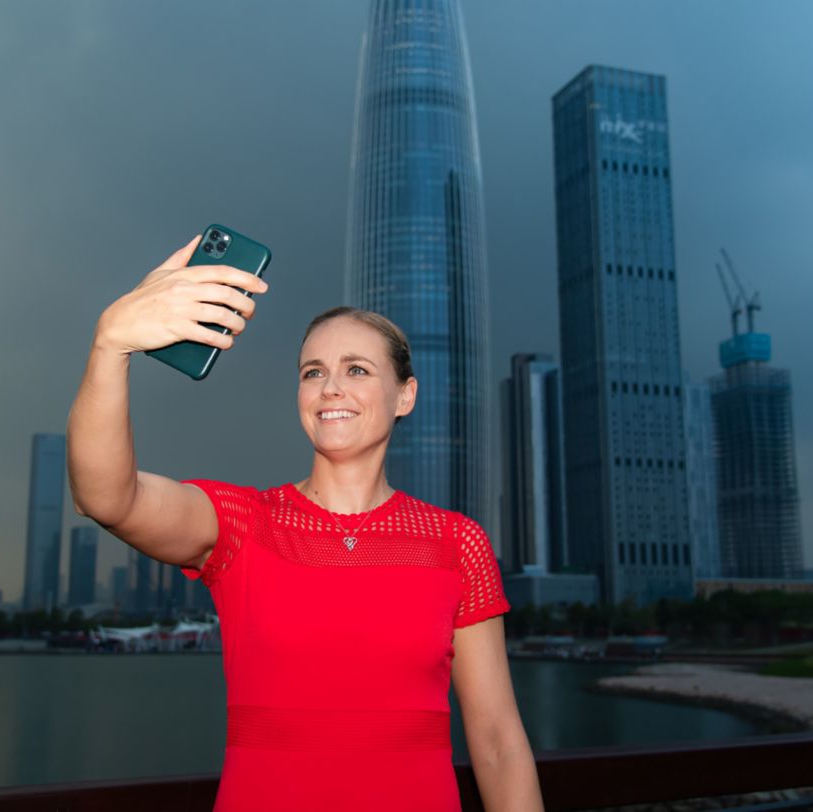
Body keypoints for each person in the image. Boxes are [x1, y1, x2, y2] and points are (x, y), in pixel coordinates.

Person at [67, 235, 544, 811]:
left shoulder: (457, 542)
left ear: (405, 396)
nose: (331, 387)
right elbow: (106, 498)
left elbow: (498, 743)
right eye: (313, 372)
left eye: (357, 369)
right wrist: (110, 344)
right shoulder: (243, 525)